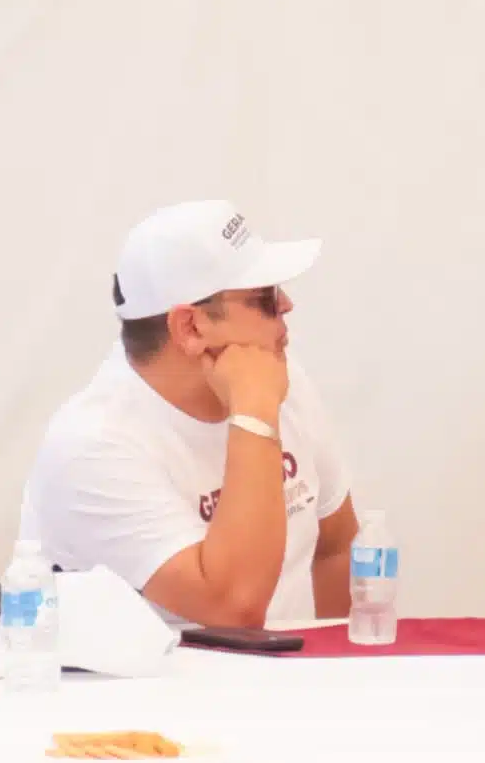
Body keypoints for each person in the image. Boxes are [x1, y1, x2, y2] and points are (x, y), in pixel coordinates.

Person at [22, 198, 360, 629]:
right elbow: (235, 609)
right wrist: (254, 412)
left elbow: (337, 546)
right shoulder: (92, 444)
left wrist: (343, 673)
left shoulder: (279, 375)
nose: (288, 305)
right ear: (191, 327)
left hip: (286, 686)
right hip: (160, 695)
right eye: (265, 298)